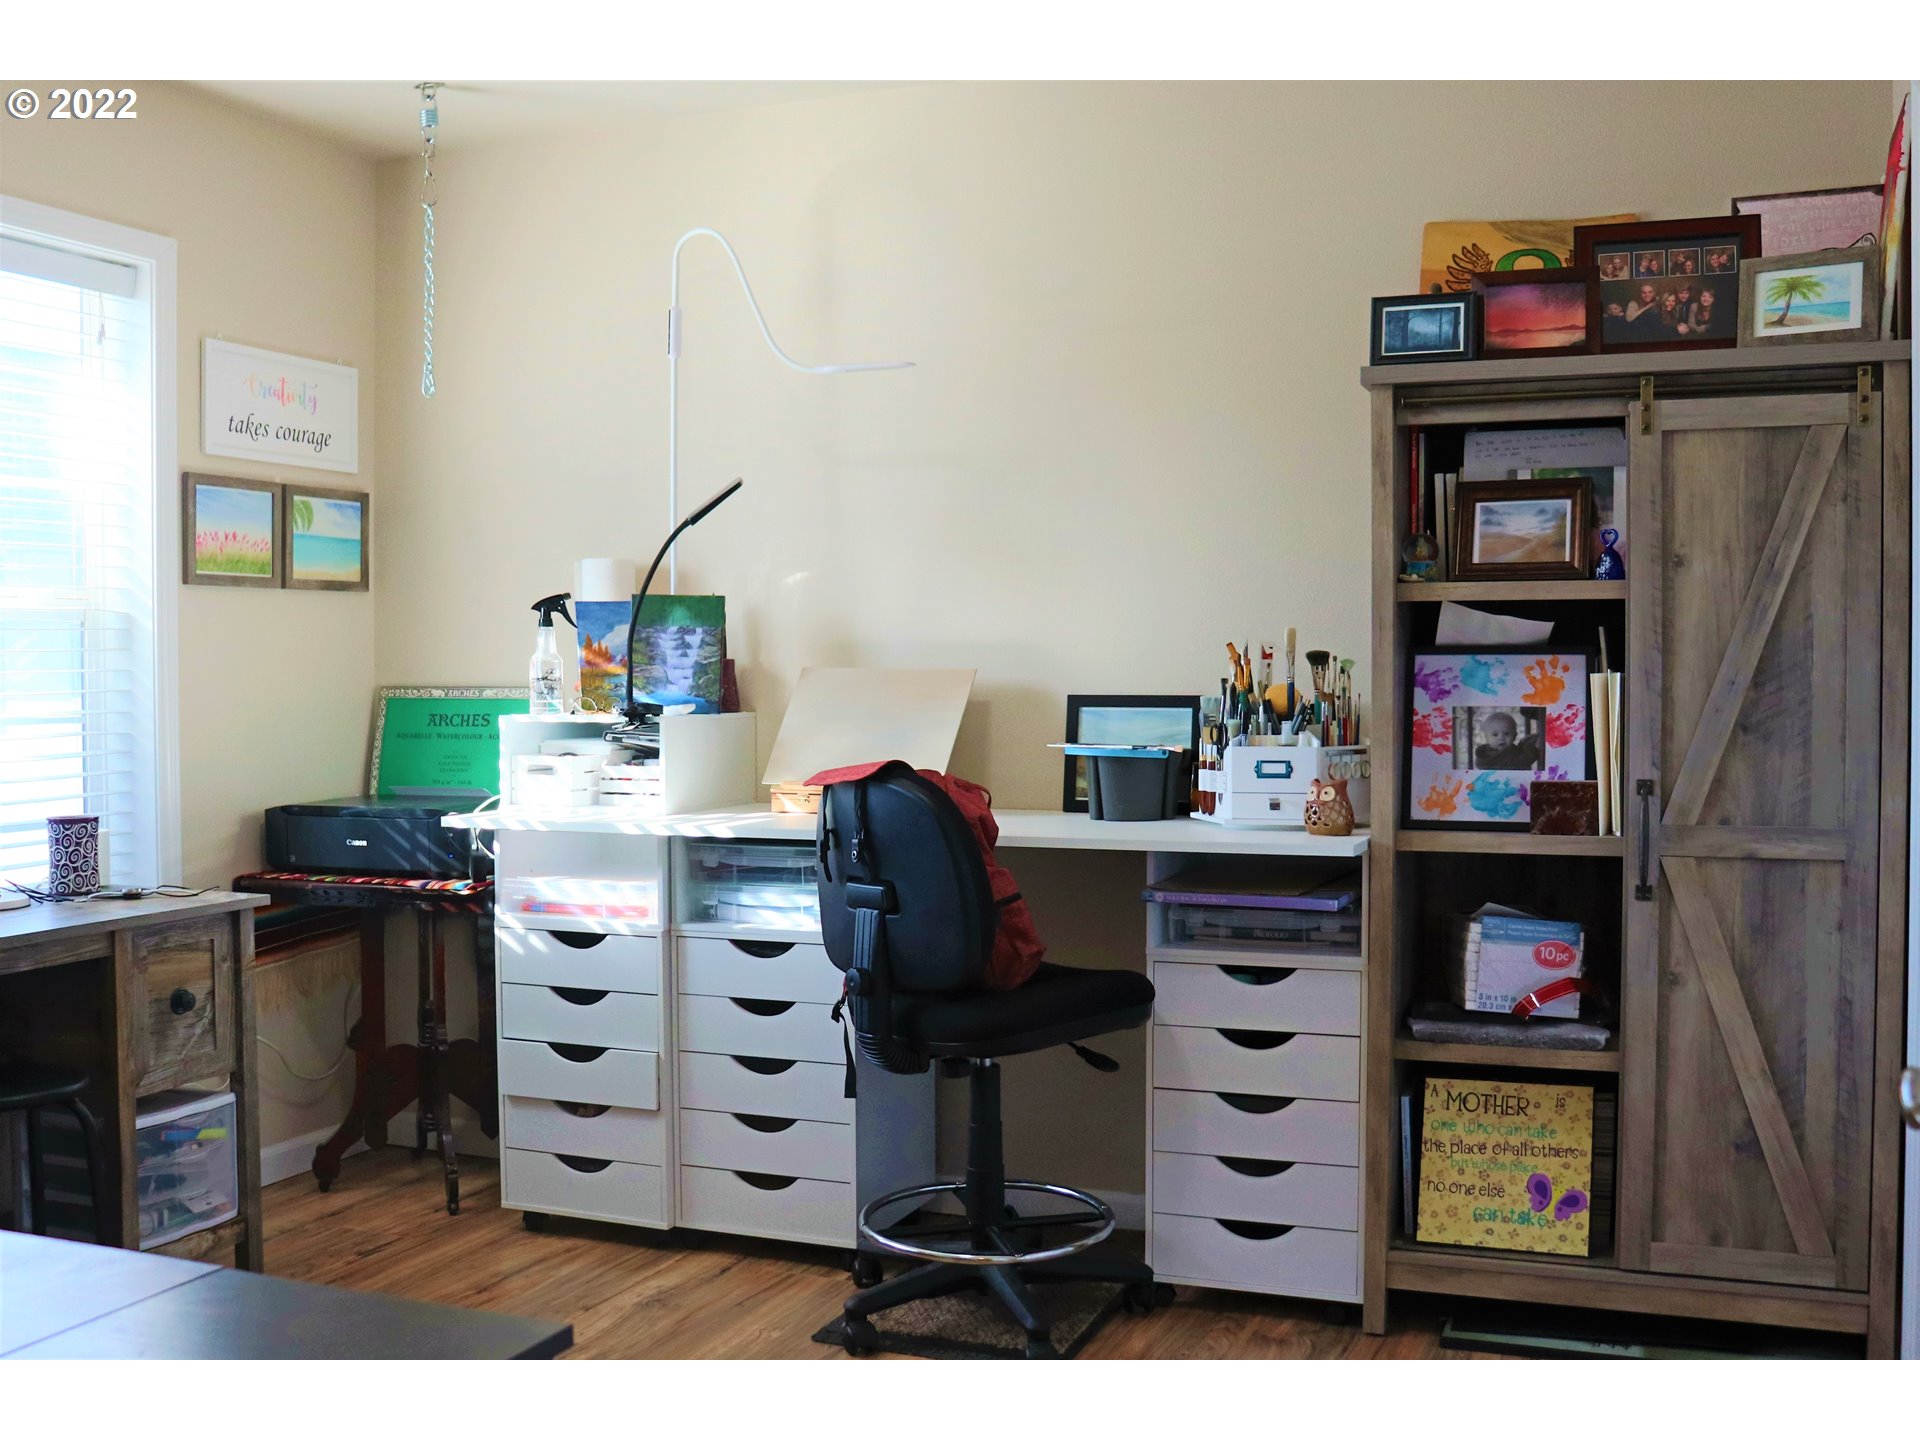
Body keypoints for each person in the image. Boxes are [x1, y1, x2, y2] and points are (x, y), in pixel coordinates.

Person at [1474, 711, 1543, 771]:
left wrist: (1524, 742)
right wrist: (1534, 748)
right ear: (1486, 737)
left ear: (1515, 736)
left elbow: (1517, 753)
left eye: (1506, 734)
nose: (1501, 738)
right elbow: (1520, 762)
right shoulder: (1489, 758)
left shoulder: (1508, 750)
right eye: (1495, 734)